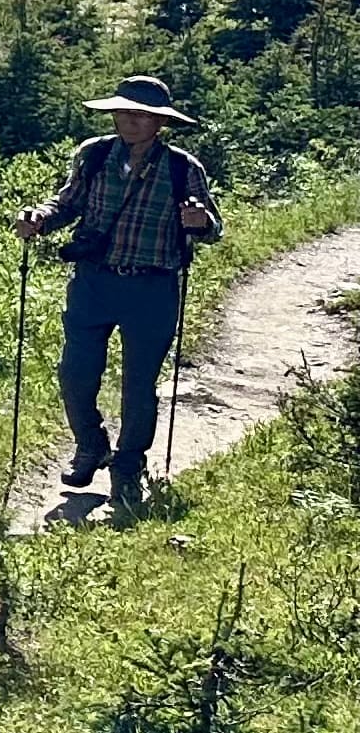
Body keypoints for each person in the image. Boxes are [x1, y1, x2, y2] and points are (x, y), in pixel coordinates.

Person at [17, 76, 222, 522]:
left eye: (140, 114)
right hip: (94, 282)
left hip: (152, 287)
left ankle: (128, 466)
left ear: (160, 122)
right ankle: (91, 444)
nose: (129, 120)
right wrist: (39, 218)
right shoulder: (94, 155)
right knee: (74, 374)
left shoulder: (182, 168)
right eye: (123, 111)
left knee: (138, 386)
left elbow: (212, 229)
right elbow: (67, 203)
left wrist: (198, 221)